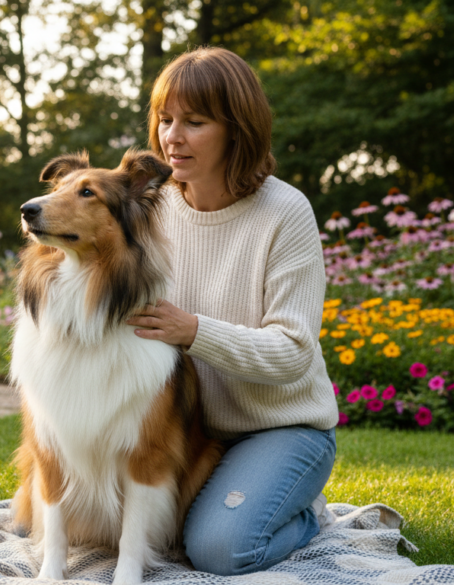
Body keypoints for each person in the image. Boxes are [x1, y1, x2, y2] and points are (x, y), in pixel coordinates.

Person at [125, 47, 340, 576]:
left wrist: (193, 330)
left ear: (237, 130)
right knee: (138, 535)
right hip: (189, 431)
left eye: (194, 122)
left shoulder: (285, 212)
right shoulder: (155, 207)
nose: (172, 137)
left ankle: (307, 515)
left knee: (220, 550)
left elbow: (293, 352)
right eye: (165, 119)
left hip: (279, 428)